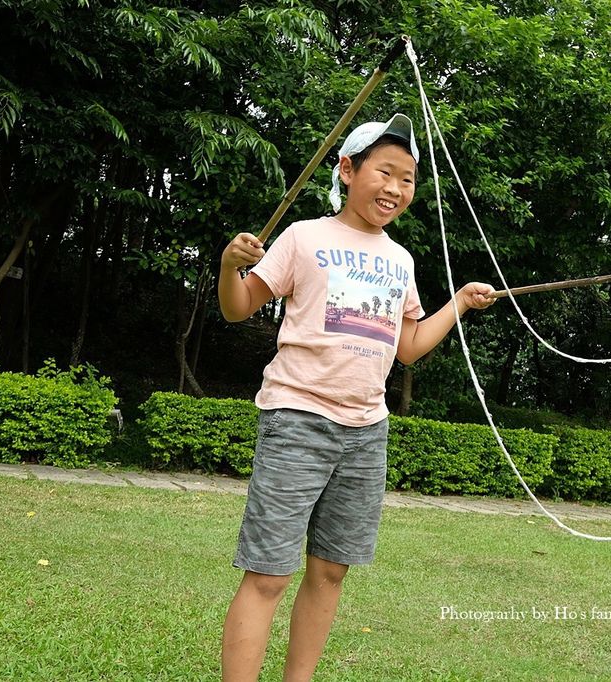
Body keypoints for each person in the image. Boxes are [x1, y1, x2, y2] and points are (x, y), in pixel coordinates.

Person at [217, 113, 495, 681]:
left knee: (331, 572)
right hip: (297, 418)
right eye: (385, 172)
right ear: (347, 170)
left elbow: (410, 346)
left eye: (409, 179)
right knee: (268, 574)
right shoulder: (304, 237)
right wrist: (228, 265)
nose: (396, 188)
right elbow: (238, 306)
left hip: (367, 432)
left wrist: (460, 303)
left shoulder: (401, 260)